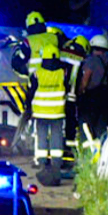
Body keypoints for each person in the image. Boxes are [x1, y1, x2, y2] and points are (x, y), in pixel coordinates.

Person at [30, 44, 69, 184]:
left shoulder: (37, 72)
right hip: (57, 111)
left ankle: (42, 162)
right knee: (57, 136)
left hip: (40, 111)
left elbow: (32, 90)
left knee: (41, 136)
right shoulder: (63, 71)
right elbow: (67, 86)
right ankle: (56, 163)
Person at [78, 34, 108, 140]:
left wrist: (80, 91)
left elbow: (85, 81)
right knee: (102, 127)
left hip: (92, 98)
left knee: (87, 126)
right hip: (107, 98)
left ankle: (88, 152)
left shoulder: (91, 61)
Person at [59, 35, 89, 163]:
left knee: (58, 123)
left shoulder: (62, 54)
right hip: (72, 97)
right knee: (70, 124)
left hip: (58, 95)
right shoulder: (83, 59)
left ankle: (57, 149)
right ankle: (68, 151)